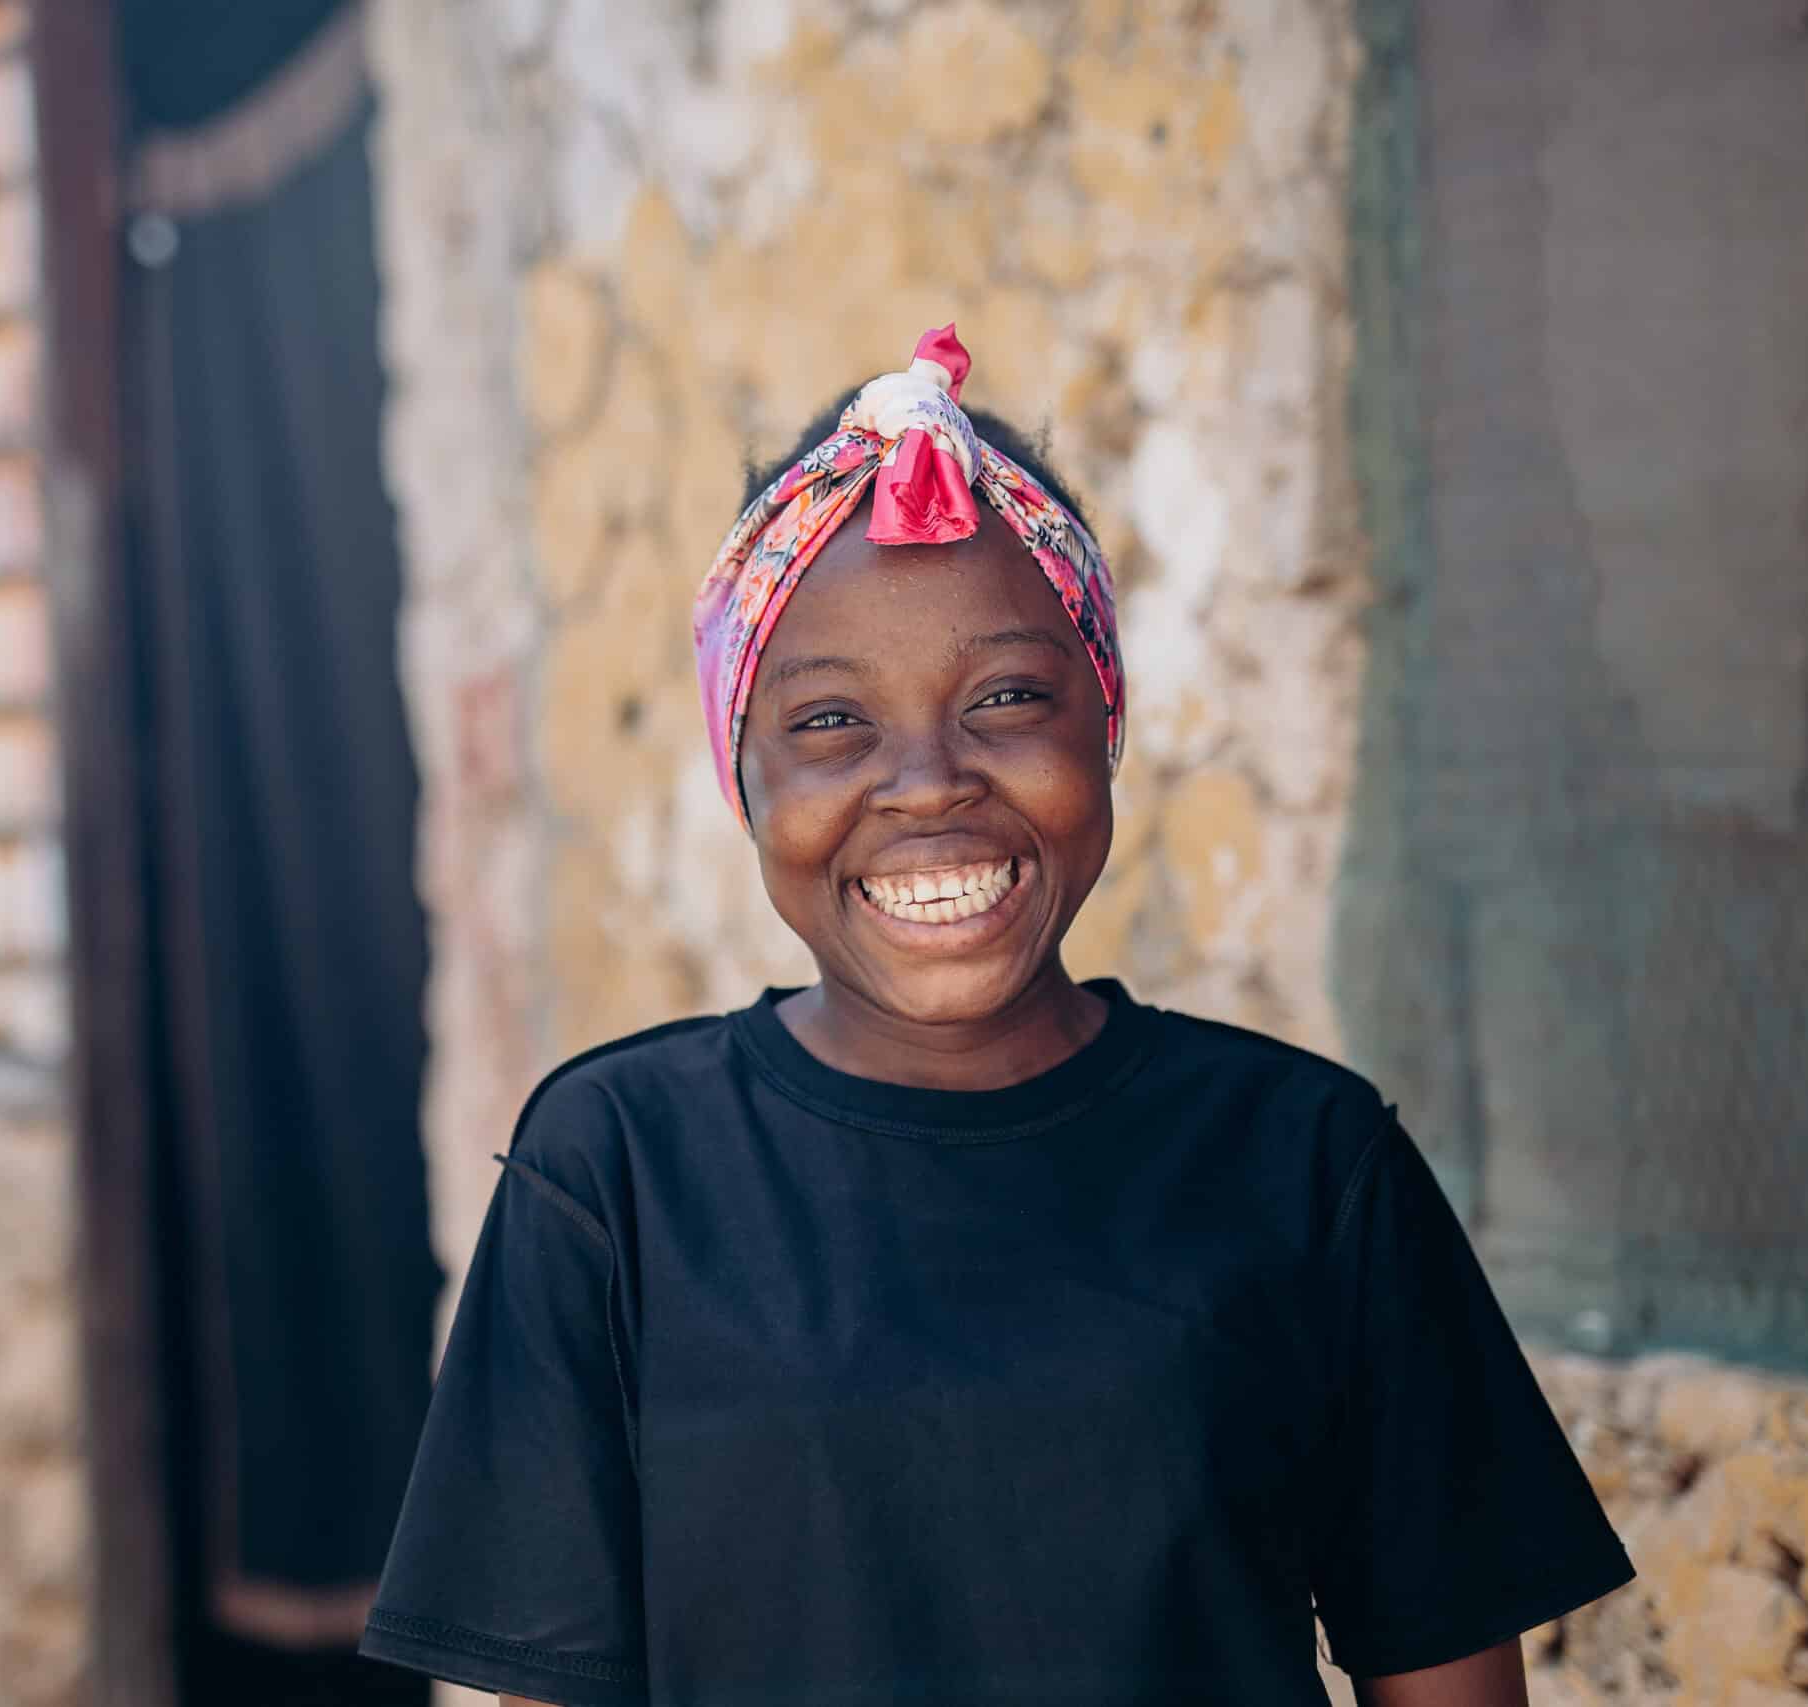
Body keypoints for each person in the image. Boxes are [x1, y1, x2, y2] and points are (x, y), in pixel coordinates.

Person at [358, 327, 1633, 1706]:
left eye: (1008, 697)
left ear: (1105, 727)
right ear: (749, 781)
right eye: (832, 721)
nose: (927, 782)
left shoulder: (1309, 1163)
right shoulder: (615, 1173)